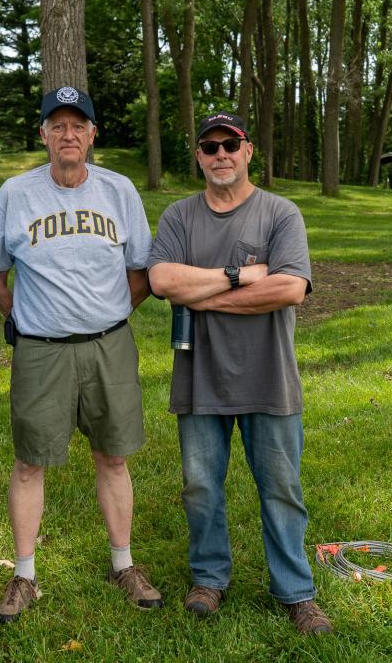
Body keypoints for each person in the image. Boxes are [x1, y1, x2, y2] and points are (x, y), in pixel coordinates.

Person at [0, 86, 162, 624]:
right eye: (56, 125)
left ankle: (122, 563)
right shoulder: (16, 194)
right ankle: (25, 575)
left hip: (110, 346)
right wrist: (25, 316)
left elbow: (141, 270)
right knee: (30, 461)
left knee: (113, 455)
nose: (68, 134)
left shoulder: (120, 190)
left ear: (92, 134)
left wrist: (106, 315)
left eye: (77, 125)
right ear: (42, 135)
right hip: (41, 352)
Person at [147, 112, 333, 634]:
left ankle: (295, 591)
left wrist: (204, 296)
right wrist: (235, 277)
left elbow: (289, 288)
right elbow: (162, 280)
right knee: (201, 487)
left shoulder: (280, 213)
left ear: (249, 151)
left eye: (231, 144)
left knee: (280, 488)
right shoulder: (180, 217)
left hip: (270, 378)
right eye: (209, 147)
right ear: (199, 157)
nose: (220, 154)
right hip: (198, 378)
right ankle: (209, 578)